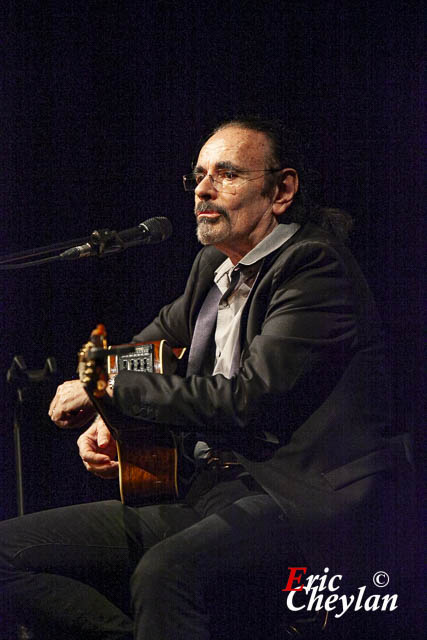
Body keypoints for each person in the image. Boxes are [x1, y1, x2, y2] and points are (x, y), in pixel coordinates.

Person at [0, 117, 411, 640]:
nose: (202, 189)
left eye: (227, 174)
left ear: (281, 190)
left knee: (165, 572)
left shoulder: (314, 267)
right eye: (198, 175)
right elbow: (140, 354)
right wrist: (105, 409)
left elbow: (245, 399)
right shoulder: (212, 269)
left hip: (301, 498)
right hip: (210, 491)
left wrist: (110, 391)